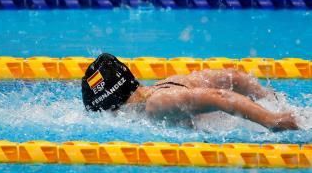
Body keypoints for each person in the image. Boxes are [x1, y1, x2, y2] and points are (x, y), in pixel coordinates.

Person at [81, 53, 299, 131]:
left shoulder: (157, 104)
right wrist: (272, 102)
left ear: (113, 106)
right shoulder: (170, 82)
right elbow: (234, 77)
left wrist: (271, 119)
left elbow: (219, 97)